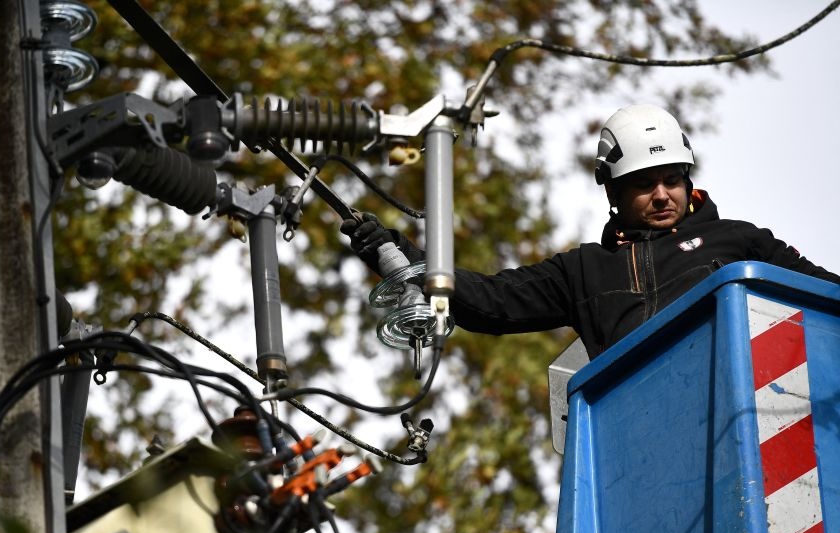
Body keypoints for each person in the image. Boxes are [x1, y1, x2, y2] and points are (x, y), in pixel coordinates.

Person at [341, 103, 840, 358]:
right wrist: (403, 255)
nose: (663, 195)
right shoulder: (584, 271)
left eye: (673, 180)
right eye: (645, 185)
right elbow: (489, 301)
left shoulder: (741, 241)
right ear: (614, 194)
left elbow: (826, 297)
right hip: (638, 426)